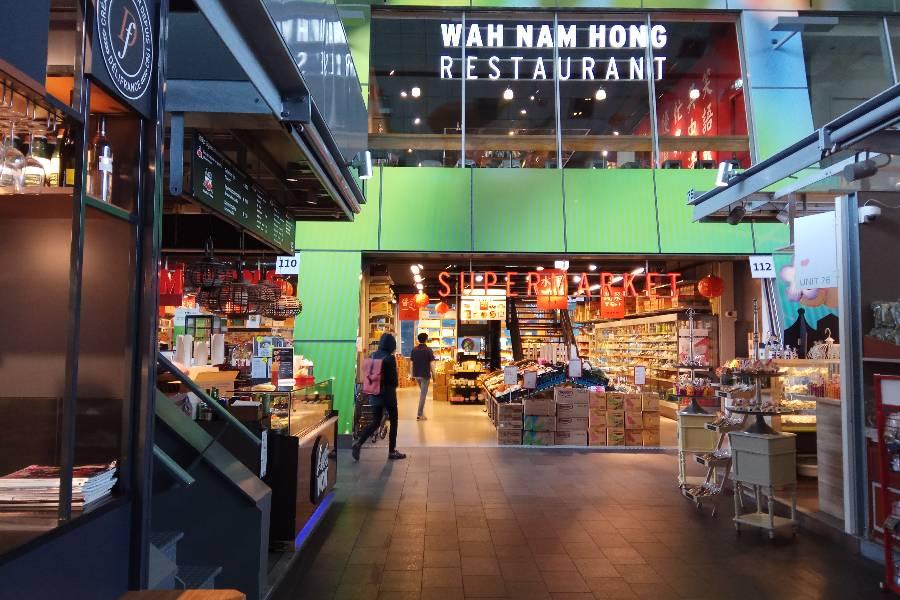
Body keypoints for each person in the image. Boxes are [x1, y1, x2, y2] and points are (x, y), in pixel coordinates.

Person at [353, 333, 406, 461]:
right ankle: (392, 451)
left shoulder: (372, 356)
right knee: (394, 421)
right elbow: (394, 381)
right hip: (388, 395)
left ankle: (359, 443)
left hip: (374, 394)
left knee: (375, 422)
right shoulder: (390, 358)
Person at [410, 332, 435, 420]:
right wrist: (434, 376)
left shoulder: (414, 350)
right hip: (425, 375)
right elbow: (432, 364)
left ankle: (421, 412)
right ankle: (419, 414)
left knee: (422, 393)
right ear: (426, 339)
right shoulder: (428, 350)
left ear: (418, 339)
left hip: (417, 375)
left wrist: (412, 375)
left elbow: (411, 364)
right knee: (423, 395)